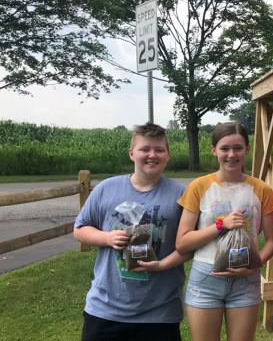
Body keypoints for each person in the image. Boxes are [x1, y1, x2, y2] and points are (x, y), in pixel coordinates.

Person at [73, 123, 189, 341]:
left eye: (159, 150)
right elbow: (80, 230)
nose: (152, 155)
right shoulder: (106, 189)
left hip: (160, 312)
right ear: (132, 153)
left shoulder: (181, 194)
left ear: (168, 155)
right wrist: (107, 238)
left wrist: (162, 264)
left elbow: (189, 246)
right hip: (105, 309)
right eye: (145, 149)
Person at [176, 122, 273, 341]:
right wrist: (221, 225)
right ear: (214, 150)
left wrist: (255, 264)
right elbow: (183, 242)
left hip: (246, 281)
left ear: (247, 150)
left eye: (238, 148)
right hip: (206, 278)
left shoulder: (262, 190)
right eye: (224, 148)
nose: (231, 154)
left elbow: (272, 241)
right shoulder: (199, 187)